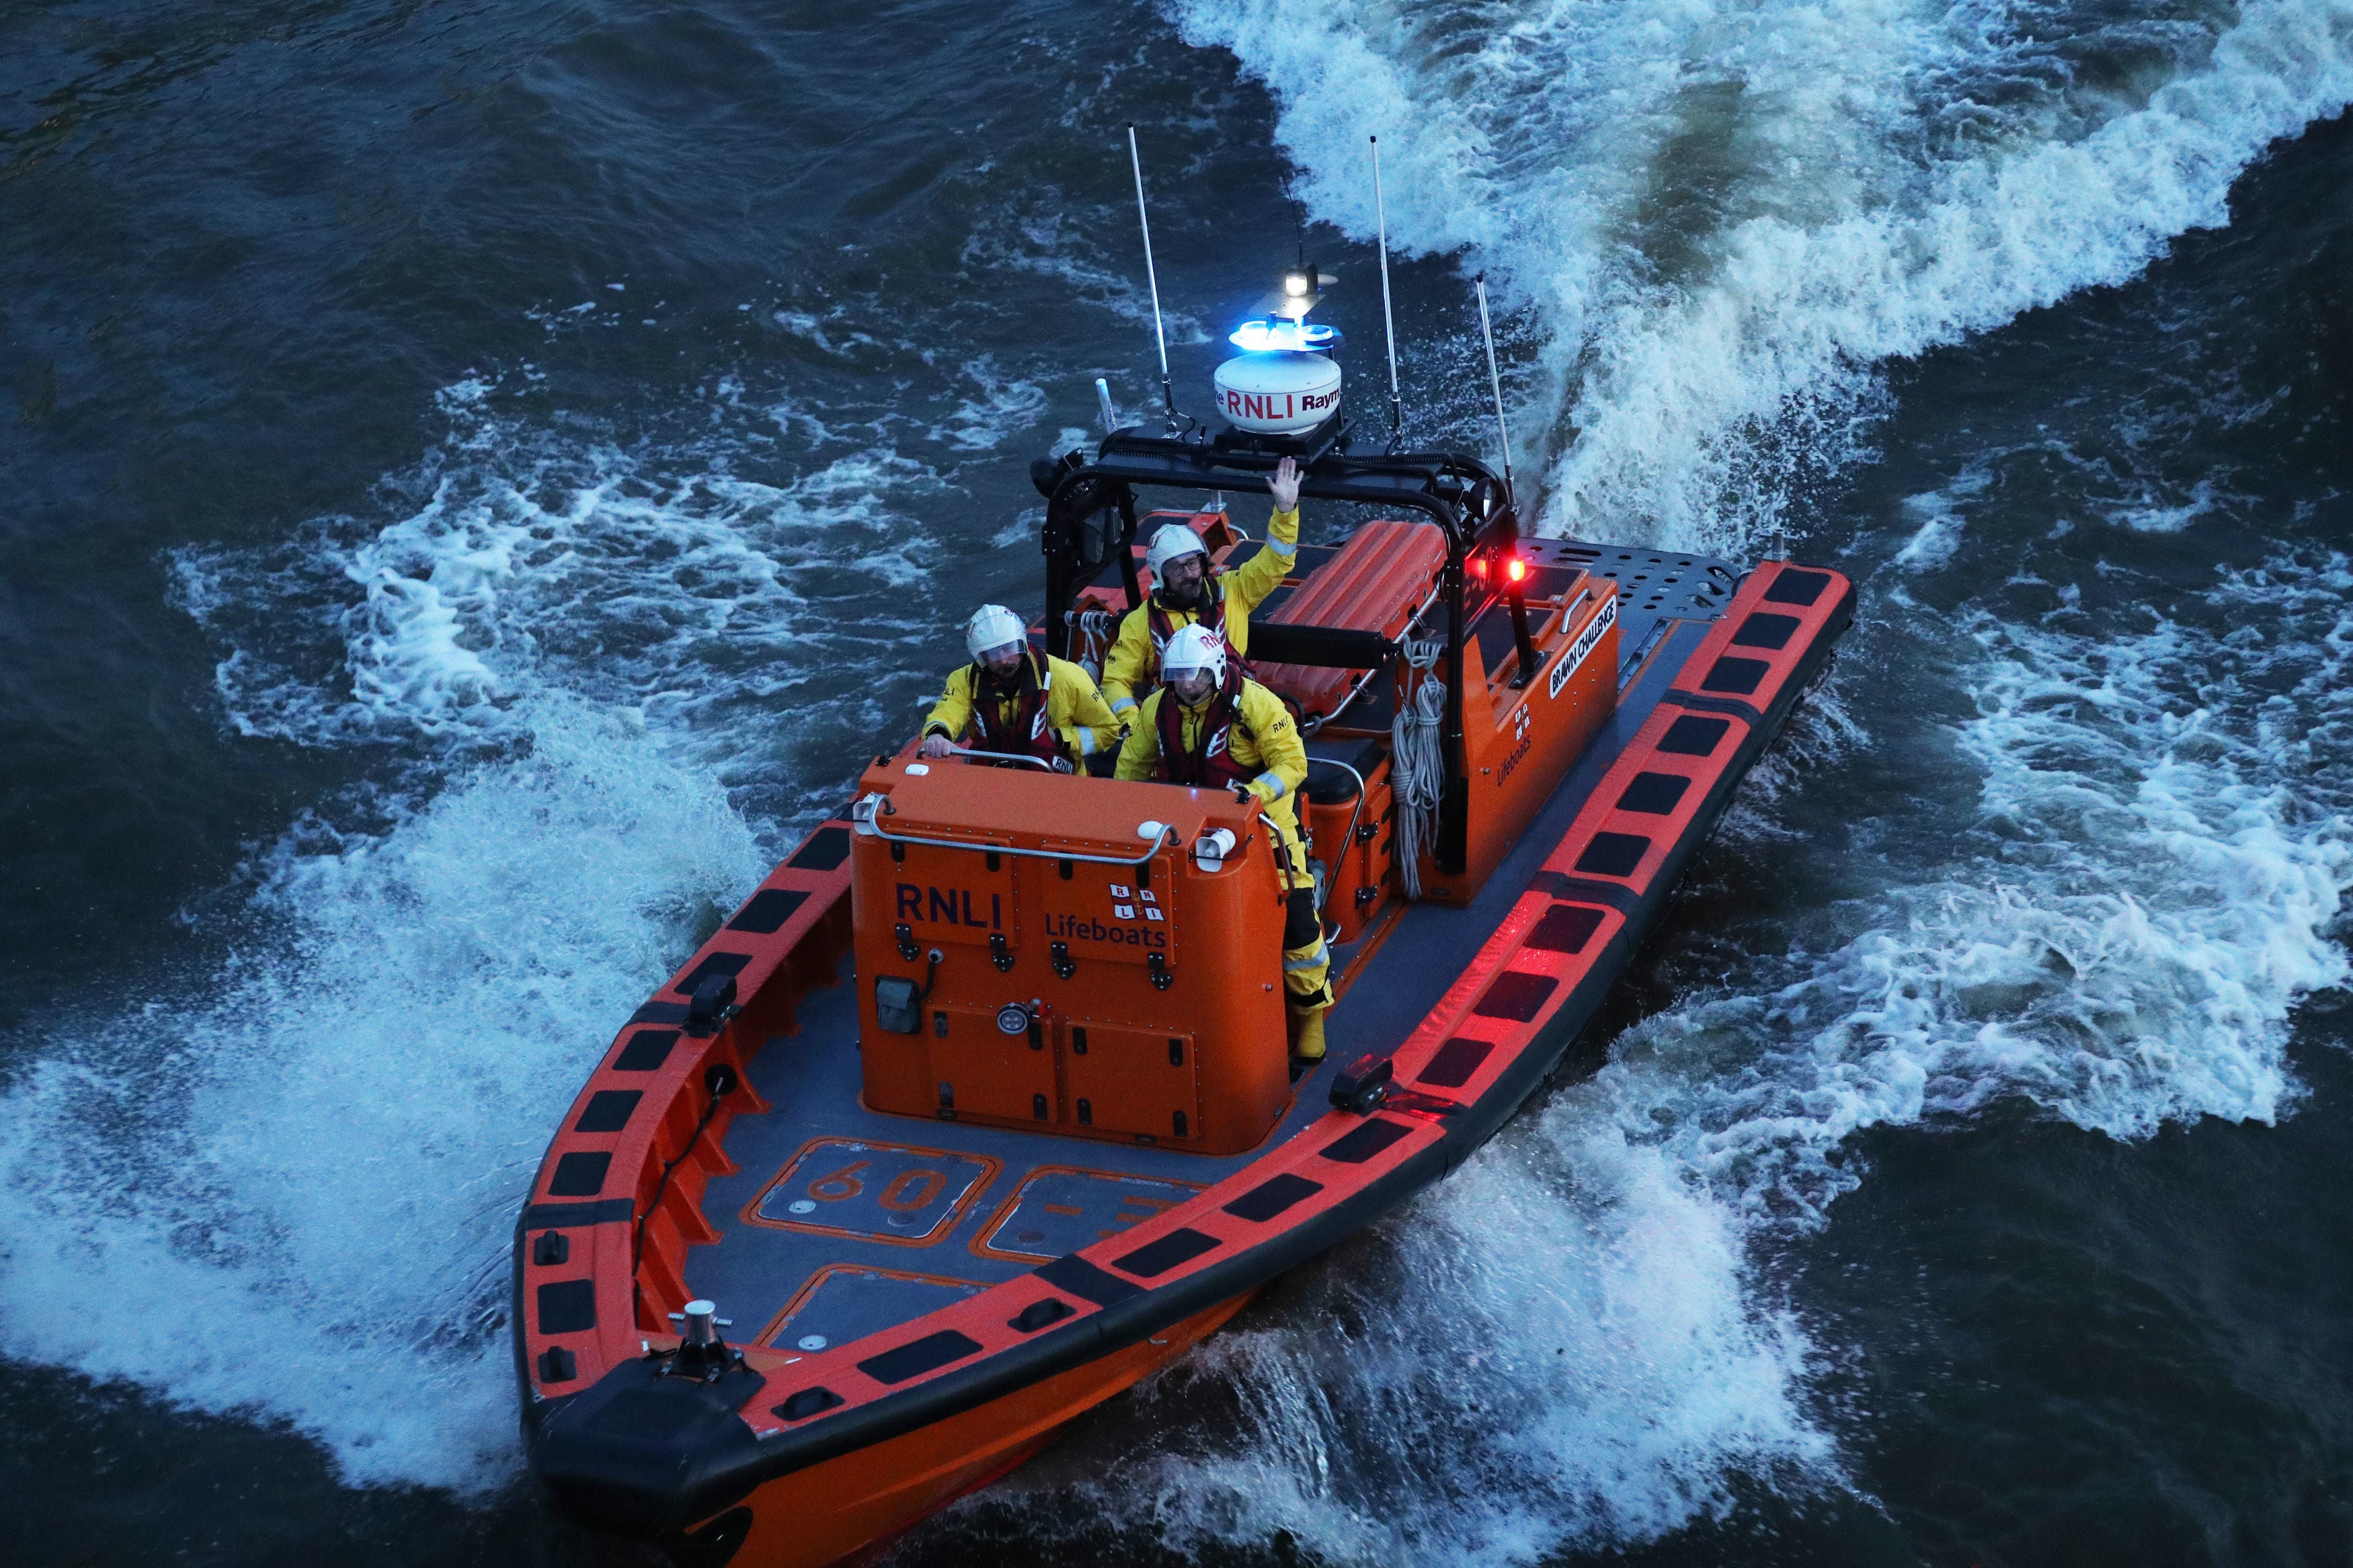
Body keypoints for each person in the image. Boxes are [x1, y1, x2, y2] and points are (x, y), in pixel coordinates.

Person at [1116, 623, 1332, 1062]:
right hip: (1183, 835)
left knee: (1299, 927)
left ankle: (1310, 1017)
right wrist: (1123, 816)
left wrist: (1254, 797)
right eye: (1176, 676)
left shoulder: (1255, 705)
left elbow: (1292, 762)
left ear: (1214, 671)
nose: (1185, 684)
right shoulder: (1158, 709)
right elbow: (1132, 766)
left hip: (1266, 832)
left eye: (1192, 675)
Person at [1098, 455, 1306, 723]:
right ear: (1160, 576)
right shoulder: (1141, 623)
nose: (1188, 575)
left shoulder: (1234, 590)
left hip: (1235, 714)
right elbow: (1115, 681)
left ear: (1203, 562)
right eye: (1176, 568)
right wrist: (1133, 724)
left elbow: (1277, 561)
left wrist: (1286, 511)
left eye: (1193, 563)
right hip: (1175, 721)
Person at [920, 604, 1119, 772]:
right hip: (992, 779)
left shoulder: (1069, 677)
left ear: (1022, 643)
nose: (1005, 660)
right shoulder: (963, 681)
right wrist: (937, 736)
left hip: (1055, 781)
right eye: (993, 654)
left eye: (1009, 649)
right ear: (981, 658)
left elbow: (1109, 730)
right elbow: (947, 713)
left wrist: (1061, 737)